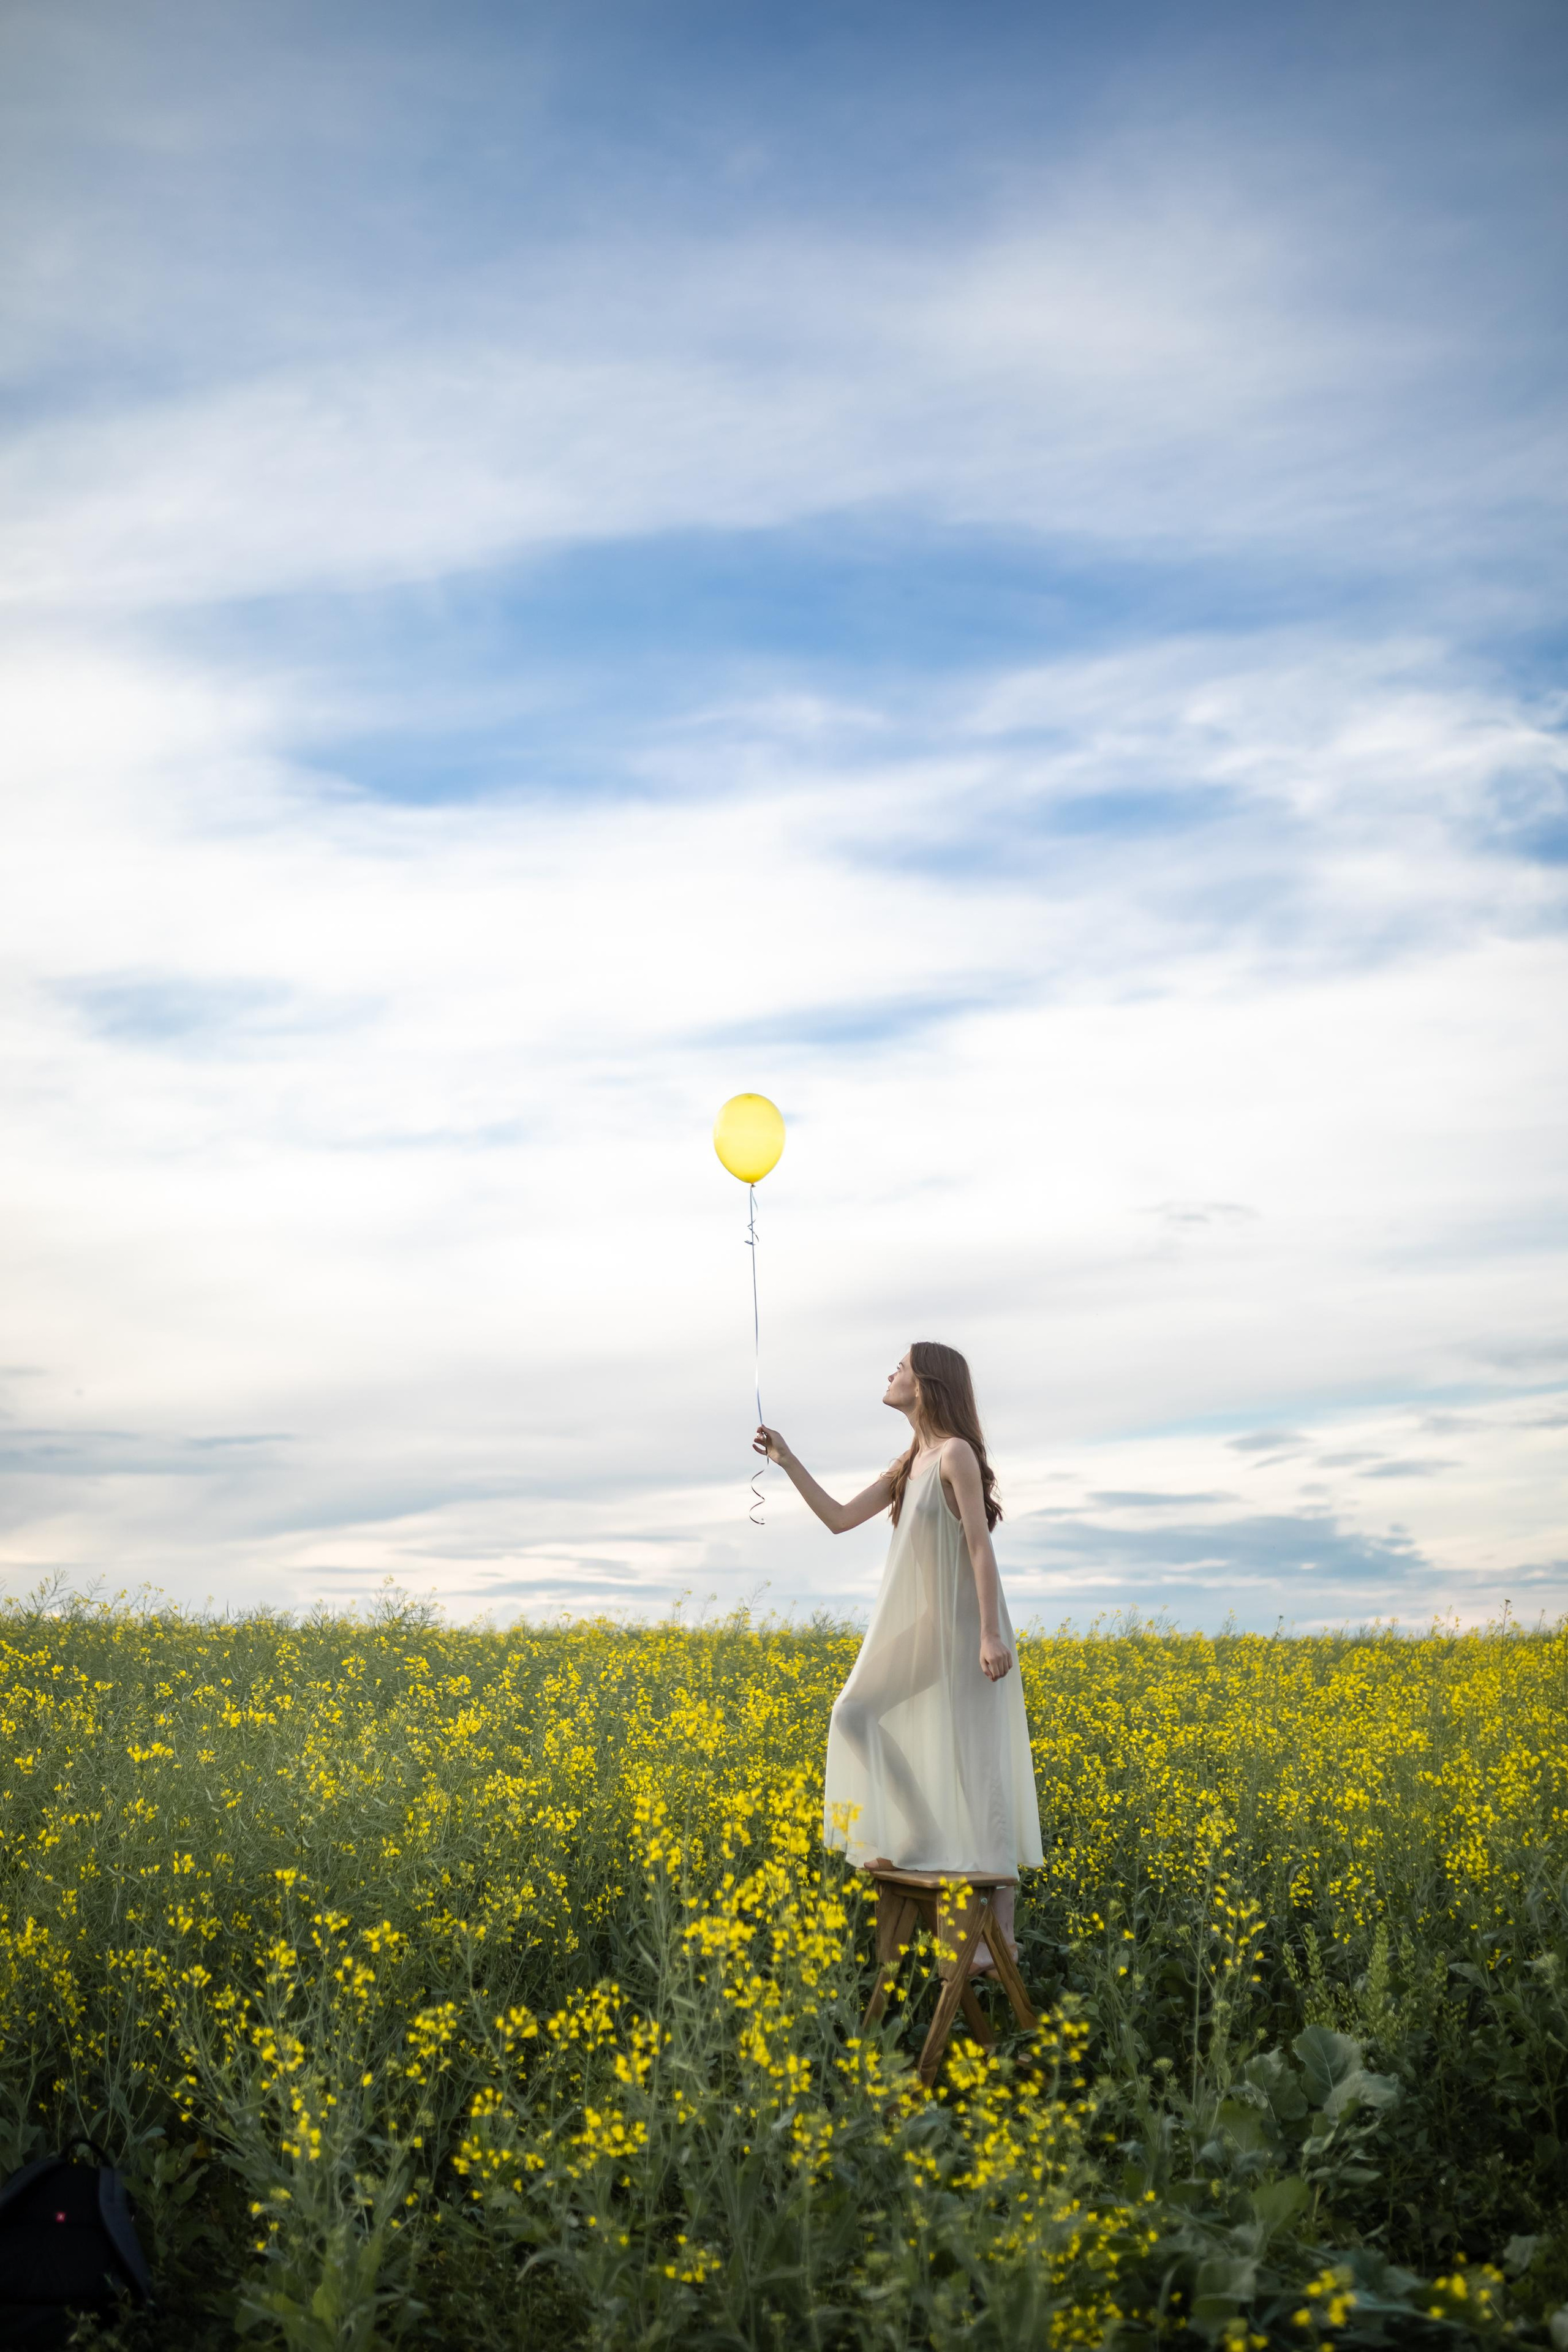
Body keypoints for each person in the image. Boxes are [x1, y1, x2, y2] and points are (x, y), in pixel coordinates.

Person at [753, 1340, 1042, 1971]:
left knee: (976, 1758)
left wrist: (990, 1634)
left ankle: (1002, 1937)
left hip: (970, 1626)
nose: (890, 1374)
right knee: (853, 1713)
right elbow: (836, 1519)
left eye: (901, 1368)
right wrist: (786, 1459)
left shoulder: (956, 1455)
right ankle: (919, 1832)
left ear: (928, 1383)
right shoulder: (910, 1461)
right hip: (930, 1623)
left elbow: (978, 1549)